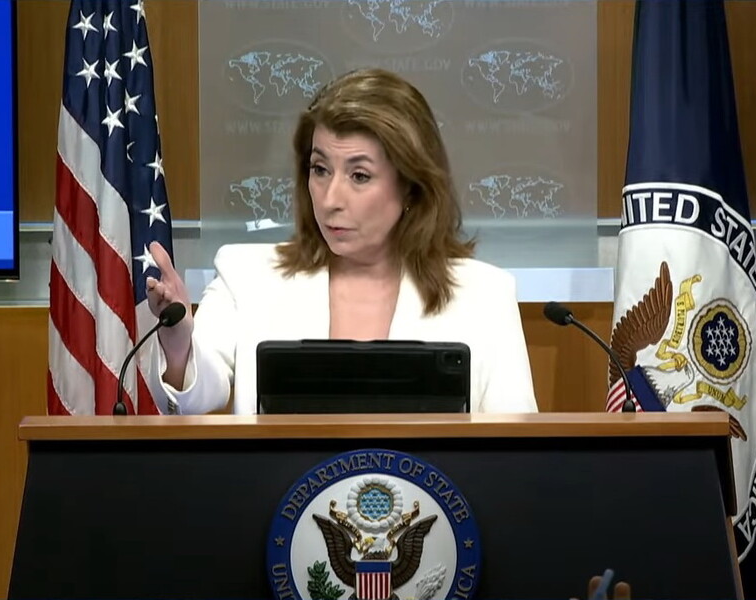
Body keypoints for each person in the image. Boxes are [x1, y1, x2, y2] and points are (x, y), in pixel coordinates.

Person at [145, 68, 537, 415]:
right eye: (320, 169)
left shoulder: (485, 295)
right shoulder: (246, 276)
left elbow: (518, 450)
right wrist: (178, 346)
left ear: (411, 186)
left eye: (359, 176)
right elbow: (193, 399)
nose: (331, 199)